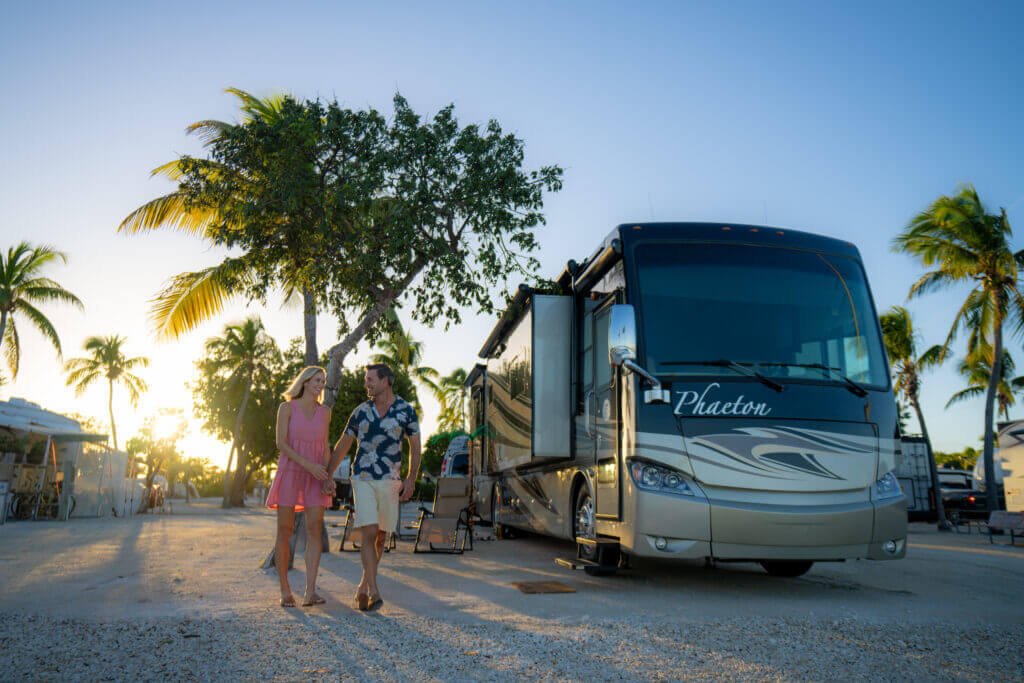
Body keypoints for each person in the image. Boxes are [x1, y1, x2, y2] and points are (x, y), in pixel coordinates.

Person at [324, 363, 421, 611]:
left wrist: (411, 479)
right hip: (363, 477)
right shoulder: (360, 412)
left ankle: (363, 586)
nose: (366, 383)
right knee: (368, 532)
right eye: (366, 379)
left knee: (380, 537)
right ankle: (375, 591)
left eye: (370, 379)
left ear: (386, 380)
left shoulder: (406, 411)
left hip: (390, 480)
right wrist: (328, 474)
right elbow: (344, 443)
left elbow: (415, 447)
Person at [265, 366, 333, 608]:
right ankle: (285, 590)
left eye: (323, 381)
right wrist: (308, 465)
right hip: (292, 470)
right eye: (316, 380)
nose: (320, 384)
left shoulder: (325, 412)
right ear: (304, 382)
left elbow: (325, 447)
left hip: (316, 474)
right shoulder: (287, 408)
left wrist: (327, 475)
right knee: (285, 530)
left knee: (315, 528)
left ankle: (310, 591)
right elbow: (281, 443)